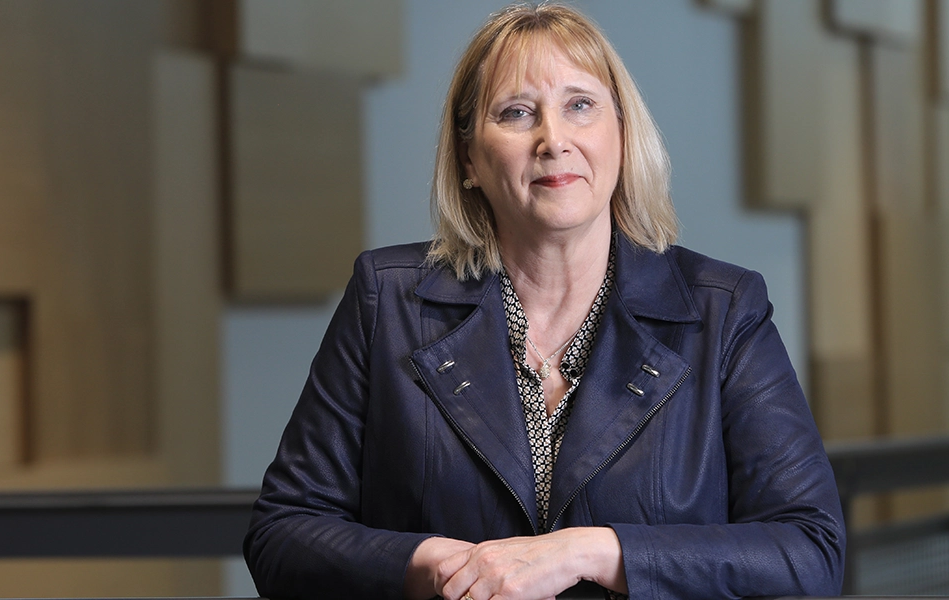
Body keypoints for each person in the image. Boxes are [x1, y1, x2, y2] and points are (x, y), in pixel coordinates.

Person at [244, 3, 845, 599]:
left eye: (580, 105)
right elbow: (283, 534)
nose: (553, 140)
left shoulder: (725, 310)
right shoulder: (387, 300)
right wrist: (439, 566)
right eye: (516, 113)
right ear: (469, 158)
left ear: (621, 133)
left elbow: (808, 550)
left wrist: (590, 552)